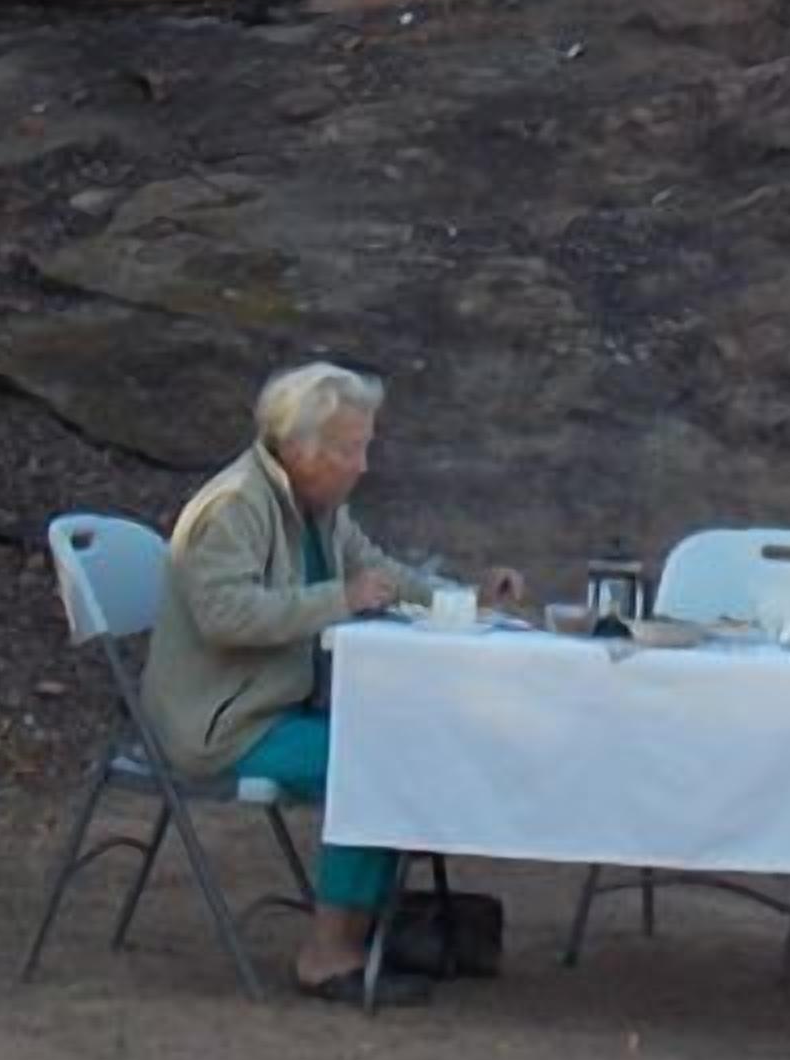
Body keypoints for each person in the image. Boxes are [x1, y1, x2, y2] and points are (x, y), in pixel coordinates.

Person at [140, 361, 525, 1005]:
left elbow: (379, 570)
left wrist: (465, 601)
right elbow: (224, 614)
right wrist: (336, 600)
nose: (363, 465)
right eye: (350, 449)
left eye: (364, 446)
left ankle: (364, 926)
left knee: (395, 743)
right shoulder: (236, 507)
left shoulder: (315, 507)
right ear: (298, 448)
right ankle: (329, 952)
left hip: (271, 708)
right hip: (222, 723)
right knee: (372, 759)